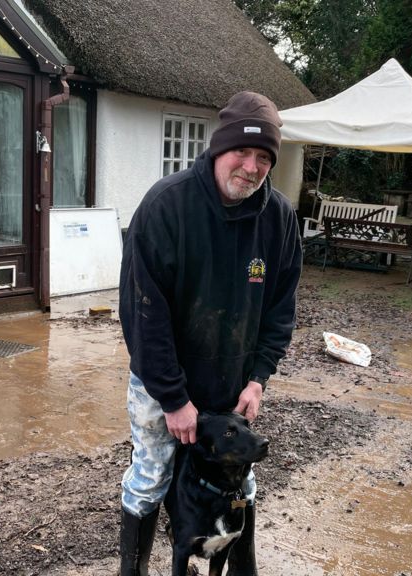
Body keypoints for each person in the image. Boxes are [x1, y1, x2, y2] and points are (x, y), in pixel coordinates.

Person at [117, 91, 302, 576]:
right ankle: (131, 570)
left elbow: (280, 310)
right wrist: (174, 399)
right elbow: (142, 315)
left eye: (265, 157)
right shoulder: (166, 206)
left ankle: (243, 568)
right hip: (163, 382)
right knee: (152, 476)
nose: (252, 165)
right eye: (243, 151)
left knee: (243, 483)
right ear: (218, 149)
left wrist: (259, 377)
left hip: (231, 386)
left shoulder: (279, 220)